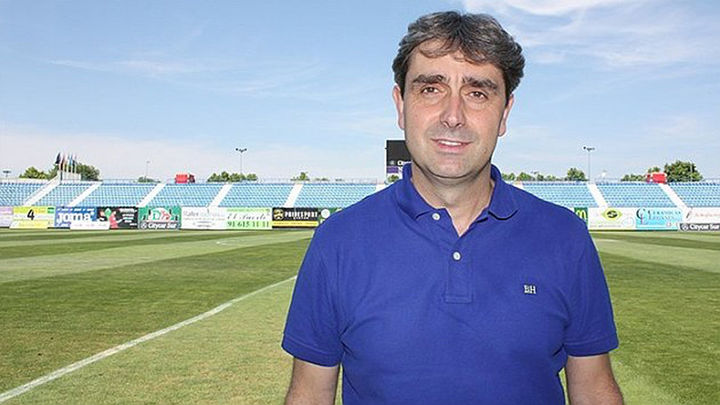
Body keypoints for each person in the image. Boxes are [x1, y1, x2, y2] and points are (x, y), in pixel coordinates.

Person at [282, 11, 623, 405]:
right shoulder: (338, 241)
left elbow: (594, 389)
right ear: (400, 105)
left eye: (477, 93)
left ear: (505, 114)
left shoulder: (564, 237)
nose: (453, 116)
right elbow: (309, 394)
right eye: (431, 89)